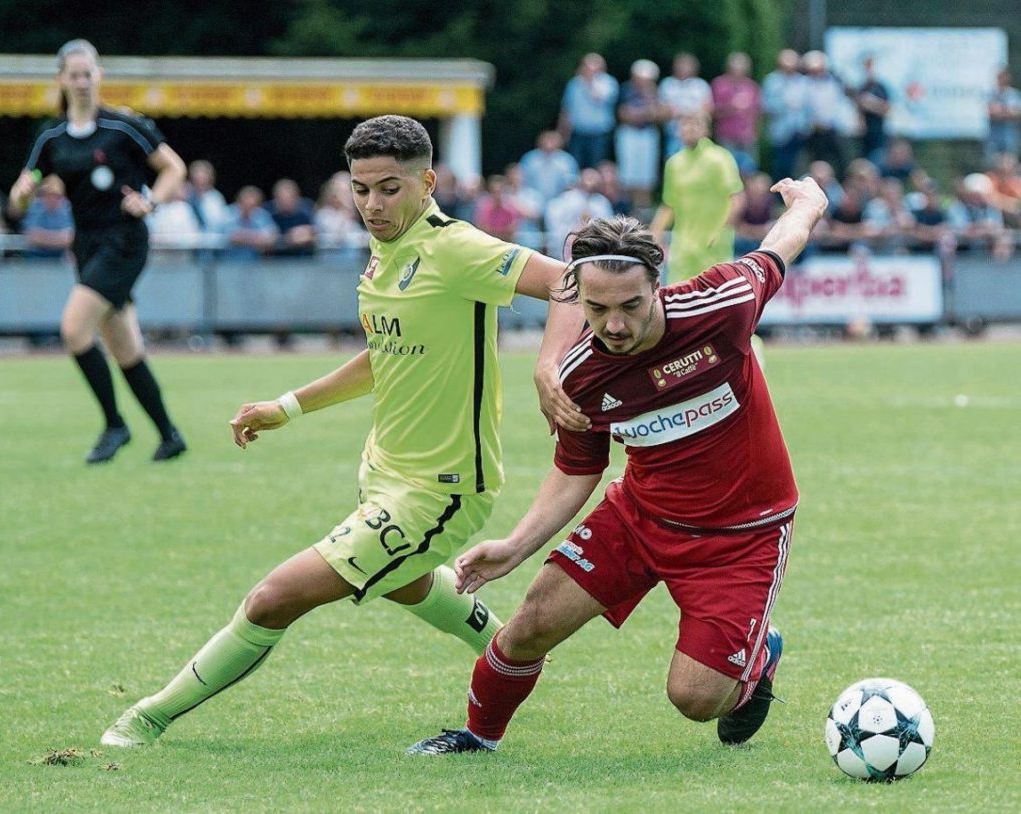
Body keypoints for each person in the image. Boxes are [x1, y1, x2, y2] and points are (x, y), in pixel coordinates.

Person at [100, 114, 588, 749]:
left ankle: (149, 715)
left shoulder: (456, 248)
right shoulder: (386, 251)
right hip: (384, 472)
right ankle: (510, 651)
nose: (372, 204)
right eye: (360, 189)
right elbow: (384, 354)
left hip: (442, 490)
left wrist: (547, 370)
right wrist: (288, 406)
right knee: (404, 580)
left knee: (273, 598)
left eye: (389, 188)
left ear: (428, 182)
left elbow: (571, 283)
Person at [407, 176, 829, 756]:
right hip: (639, 517)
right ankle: (478, 739)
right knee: (531, 622)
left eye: (630, 305)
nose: (615, 326)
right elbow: (579, 468)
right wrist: (515, 545)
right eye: (597, 308)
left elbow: (778, 248)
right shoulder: (579, 374)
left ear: (657, 286)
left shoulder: (722, 306)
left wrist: (807, 204)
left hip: (742, 534)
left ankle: (759, 656)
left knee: (695, 698)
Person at [9, 39, 187, 463]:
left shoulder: (123, 127)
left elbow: (173, 168)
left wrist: (150, 201)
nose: (83, 81)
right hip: (86, 244)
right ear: (61, 80)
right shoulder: (51, 138)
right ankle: (169, 435)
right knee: (124, 347)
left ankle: (114, 425)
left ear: (99, 75)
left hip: (124, 240)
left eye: (89, 73)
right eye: (74, 74)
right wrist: (23, 193)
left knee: (74, 330)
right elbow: (20, 198)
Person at [649, 113, 743, 283]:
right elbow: (668, 205)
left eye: (694, 125)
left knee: (716, 301)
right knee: (679, 299)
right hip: (683, 250)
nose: (688, 129)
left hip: (714, 248)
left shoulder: (720, 159)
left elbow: (737, 199)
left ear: (706, 130)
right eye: (684, 125)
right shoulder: (674, 164)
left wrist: (721, 232)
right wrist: (654, 235)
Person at [614, 59, 665, 213]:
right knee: (626, 177)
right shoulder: (625, 90)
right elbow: (622, 114)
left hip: (647, 135)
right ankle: (626, 212)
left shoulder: (654, 92)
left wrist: (638, 113)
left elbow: (659, 114)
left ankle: (643, 214)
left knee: (646, 178)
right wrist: (645, 113)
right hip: (628, 134)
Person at [558, 53, 619, 170]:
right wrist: (563, 133)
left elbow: (598, 98)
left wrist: (589, 82)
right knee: (575, 166)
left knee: (596, 166)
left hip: (599, 133)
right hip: (577, 132)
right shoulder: (574, 84)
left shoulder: (609, 83)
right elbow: (566, 110)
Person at [761, 50, 811, 181]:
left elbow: (808, 107)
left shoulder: (803, 82)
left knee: (799, 166)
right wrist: (785, 105)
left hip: (800, 130)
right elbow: (766, 105)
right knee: (781, 166)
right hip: (780, 132)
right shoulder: (772, 81)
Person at [710, 52, 761, 176]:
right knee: (727, 172)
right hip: (726, 135)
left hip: (747, 137)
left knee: (748, 172)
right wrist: (731, 107)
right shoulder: (719, 84)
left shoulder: (751, 87)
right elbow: (713, 111)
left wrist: (754, 132)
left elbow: (757, 113)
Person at [659, 53, 713, 160]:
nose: (684, 68)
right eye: (681, 65)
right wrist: (691, 113)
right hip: (673, 135)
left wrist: (681, 113)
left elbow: (707, 111)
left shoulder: (701, 85)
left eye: (687, 65)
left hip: (697, 137)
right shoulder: (667, 84)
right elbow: (662, 112)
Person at [850, 55, 891, 164]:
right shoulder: (862, 87)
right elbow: (859, 111)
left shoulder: (880, 87)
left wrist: (871, 104)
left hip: (878, 133)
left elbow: (887, 109)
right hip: (865, 136)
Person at [21, 175, 74, 258]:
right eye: (51, 195)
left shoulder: (64, 207)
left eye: (57, 196)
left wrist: (44, 237)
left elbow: (68, 239)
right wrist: (57, 238)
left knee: (70, 259)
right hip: (35, 254)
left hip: (58, 254)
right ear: (44, 195)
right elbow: (32, 237)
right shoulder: (36, 206)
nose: (54, 199)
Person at [265, 178, 316, 256]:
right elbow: (264, 242)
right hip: (276, 263)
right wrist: (288, 239)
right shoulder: (269, 217)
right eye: (281, 199)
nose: (285, 203)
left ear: (297, 198)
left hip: (303, 262)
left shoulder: (306, 215)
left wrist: (307, 236)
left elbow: (316, 236)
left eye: (289, 198)